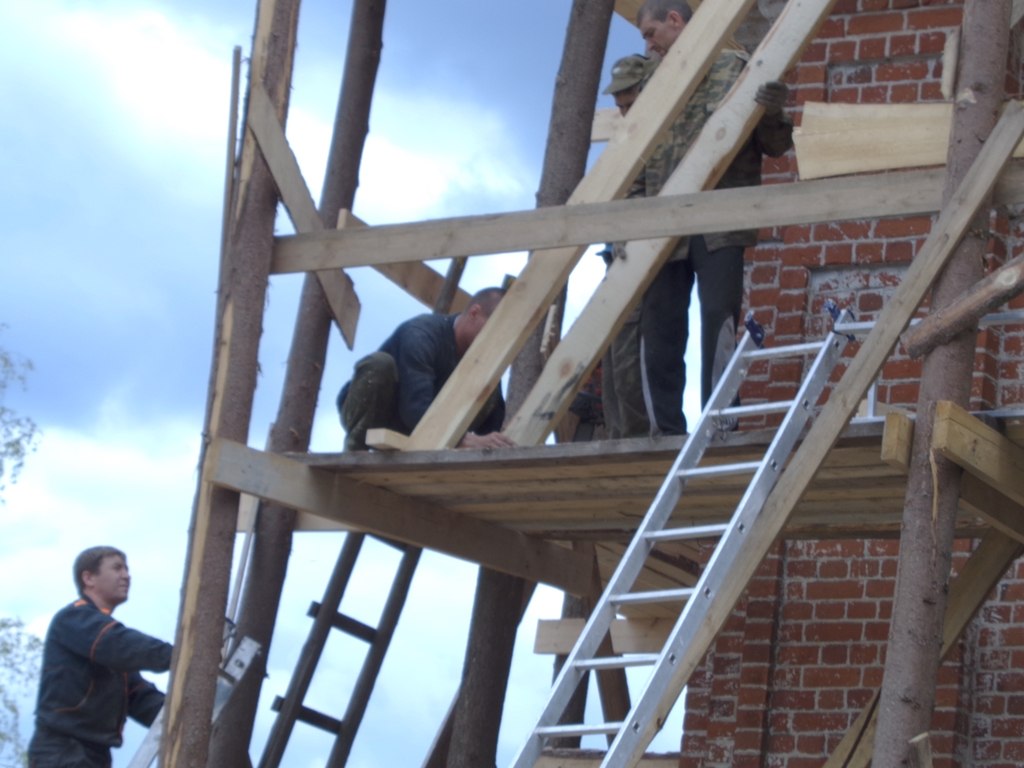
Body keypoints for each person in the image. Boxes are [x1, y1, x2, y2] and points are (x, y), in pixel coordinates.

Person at [634, 0, 794, 435]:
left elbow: (775, 146)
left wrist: (774, 112)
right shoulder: (653, 83)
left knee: (718, 320)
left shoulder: (737, 68)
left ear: (674, 20)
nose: (649, 47)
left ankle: (720, 423)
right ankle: (664, 432)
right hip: (662, 224)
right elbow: (635, 157)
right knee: (659, 325)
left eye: (651, 34)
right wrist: (628, 226)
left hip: (720, 222)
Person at [29, 546, 173, 768]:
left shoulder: (110, 650)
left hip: (95, 755)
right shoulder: (74, 619)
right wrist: (182, 654)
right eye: (117, 568)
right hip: (63, 752)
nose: (126, 575)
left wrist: (189, 712)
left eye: (127, 569)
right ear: (88, 578)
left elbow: (139, 697)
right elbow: (121, 645)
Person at [337, 286, 517, 451]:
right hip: (385, 414)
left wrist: (492, 444)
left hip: (428, 426)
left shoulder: (483, 356)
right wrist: (464, 440)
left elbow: (492, 418)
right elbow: (414, 408)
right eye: (494, 329)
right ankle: (354, 452)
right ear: (474, 313)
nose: (497, 339)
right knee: (379, 365)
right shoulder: (421, 334)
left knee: (487, 383)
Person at [599, 54, 655, 439]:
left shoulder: (661, 133)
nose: (623, 111)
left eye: (629, 102)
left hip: (643, 255)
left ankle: (637, 438)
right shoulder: (626, 136)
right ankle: (620, 436)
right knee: (614, 349)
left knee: (633, 354)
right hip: (619, 252)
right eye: (619, 105)